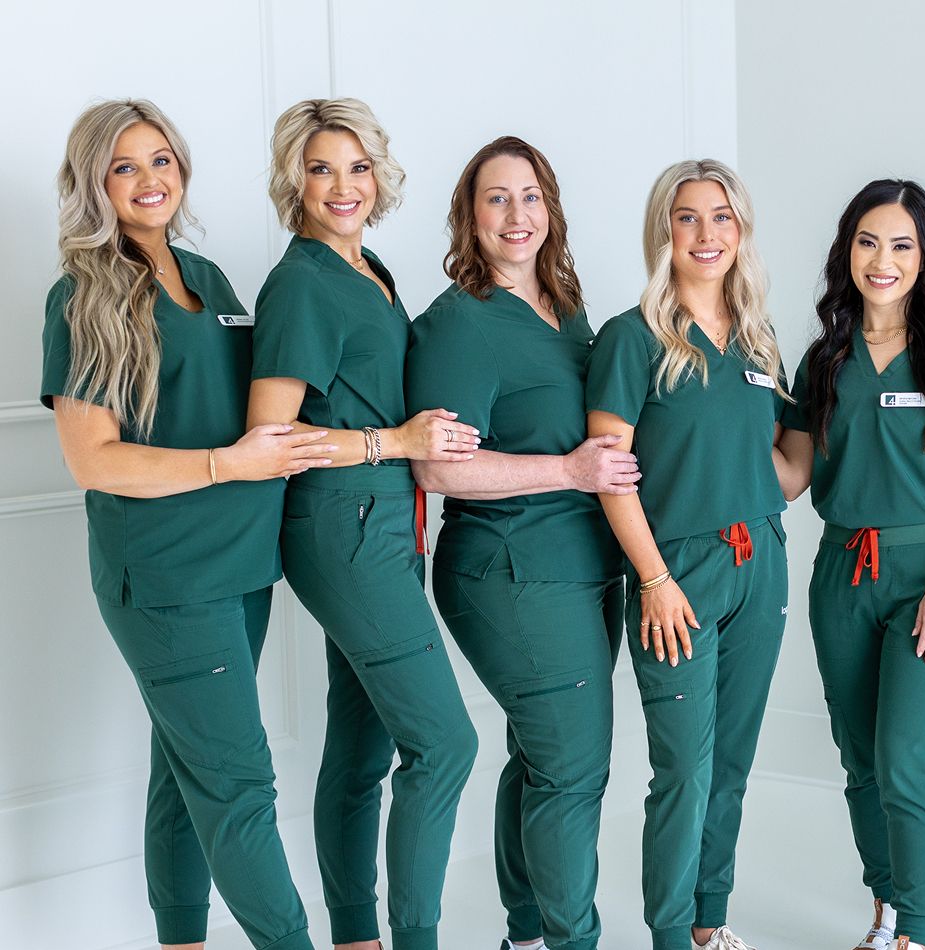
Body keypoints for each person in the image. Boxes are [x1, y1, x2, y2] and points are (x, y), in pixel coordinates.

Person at [41, 98, 328, 950]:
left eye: (160, 159)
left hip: (242, 569)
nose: (148, 179)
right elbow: (93, 460)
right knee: (240, 787)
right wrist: (224, 465)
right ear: (95, 184)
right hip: (166, 578)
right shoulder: (81, 296)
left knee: (186, 772)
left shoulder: (210, 280)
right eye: (125, 166)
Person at [248, 97, 479, 950]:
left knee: (364, 738)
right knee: (445, 743)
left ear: (378, 173)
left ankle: (354, 938)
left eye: (356, 166)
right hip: (342, 527)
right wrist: (396, 440)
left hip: (389, 521)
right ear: (293, 184)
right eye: (320, 169)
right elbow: (269, 437)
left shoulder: (368, 266)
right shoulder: (302, 283)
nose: (343, 186)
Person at [405, 135, 639, 950]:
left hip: (581, 571)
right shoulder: (460, 322)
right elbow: (439, 470)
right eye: (496, 198)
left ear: (552, 208)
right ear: (469, 216)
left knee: (541, 761)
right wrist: (570, 471)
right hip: (509, 572)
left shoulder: (566, 308)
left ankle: (526, 935)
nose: (517, 214)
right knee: (573, 771)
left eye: (531, 195)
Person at [773, 179, 925, 950]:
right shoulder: (823, 362)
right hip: (840, 573)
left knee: (907, 758)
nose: (883, 259)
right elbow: (792, 476)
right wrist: (717, 429)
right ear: (847, 252)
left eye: (902, 244)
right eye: (868, 242)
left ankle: (918, 931)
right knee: (861, 757)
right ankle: (885, 910)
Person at [586, 158, 789, 950]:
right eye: (688, 217)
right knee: (684, 770)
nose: (707, 234)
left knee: (731, 763)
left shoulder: (761, 339)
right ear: (662, 232)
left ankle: (710, 924)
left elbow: (789, 448)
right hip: (676, 573)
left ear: (742, 230)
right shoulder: (631, 338)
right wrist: (657, 580)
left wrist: (765, 493)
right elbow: (609, 474)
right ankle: (669, 936)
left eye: (722, 217)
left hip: (759, 563)